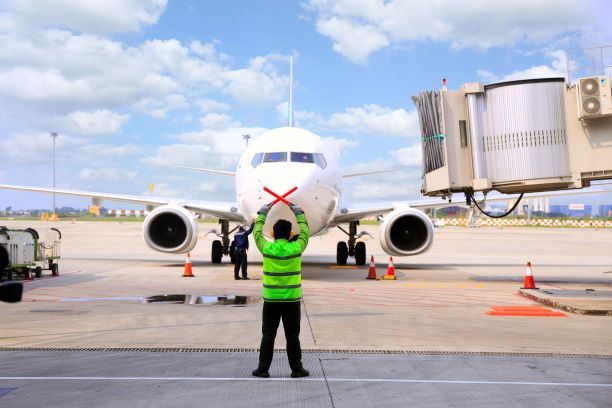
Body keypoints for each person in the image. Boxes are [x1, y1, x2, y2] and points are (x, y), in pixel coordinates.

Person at [251, 201, 310, 378]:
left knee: (268, 335)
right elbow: (305, 233)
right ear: (291, 234)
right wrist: (299, 213)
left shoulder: (267, 248)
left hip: (271, 300)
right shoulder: (296, 248)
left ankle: (263, 368)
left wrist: (262, 213)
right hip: (291, 300)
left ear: (273, 233)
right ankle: (296, 369)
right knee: (293, 336)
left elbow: (256, 233)